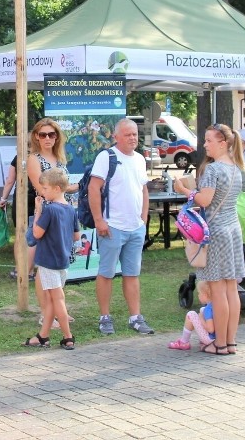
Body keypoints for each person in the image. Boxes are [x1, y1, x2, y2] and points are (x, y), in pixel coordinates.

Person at [174, 123, 245, 355]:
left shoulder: (214, 170)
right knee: (231, 289)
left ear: (223, 143)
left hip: (215, 232)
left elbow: (204, 201)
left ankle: (220, 343)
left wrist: (185, 190)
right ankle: (231, 341)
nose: (205, 144)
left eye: (208, 140)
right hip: (233, 230)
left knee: (218, 291)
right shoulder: (235, 168)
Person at [89, 118, 152, 335]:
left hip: (135, 227)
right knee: (106, 273)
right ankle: (104, 317)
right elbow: (94, 188)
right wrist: (99, 220)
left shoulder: (140, 159)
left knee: (132, 274)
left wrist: (143, 218)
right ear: (116, 137)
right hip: (112, 226)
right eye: (127, 134)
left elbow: (143, 189)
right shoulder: (106, 157)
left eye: (135, 134)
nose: (133, 138)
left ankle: (135, 317)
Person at [23, 168, 79, 349]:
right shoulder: (70, 209)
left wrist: (38, 212)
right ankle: (43, 336)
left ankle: (68, 337)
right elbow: (76, 236)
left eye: (45, 188)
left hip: (48, 262)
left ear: (56, 188)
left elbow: (37, 233)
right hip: (62, 260)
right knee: (51, 300)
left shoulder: (50, 210)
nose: (42, 192)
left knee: (57, 299)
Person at [167, 280, 215, 351]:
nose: (198, 295)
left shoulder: (208, 309)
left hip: (210, 339)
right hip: (219, 338)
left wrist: (200, 318)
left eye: (199, 293)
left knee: (191, 314)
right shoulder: (216, 305)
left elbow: (210, 329)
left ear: (205, 295)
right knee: (202, 309)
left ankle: (184, 342)